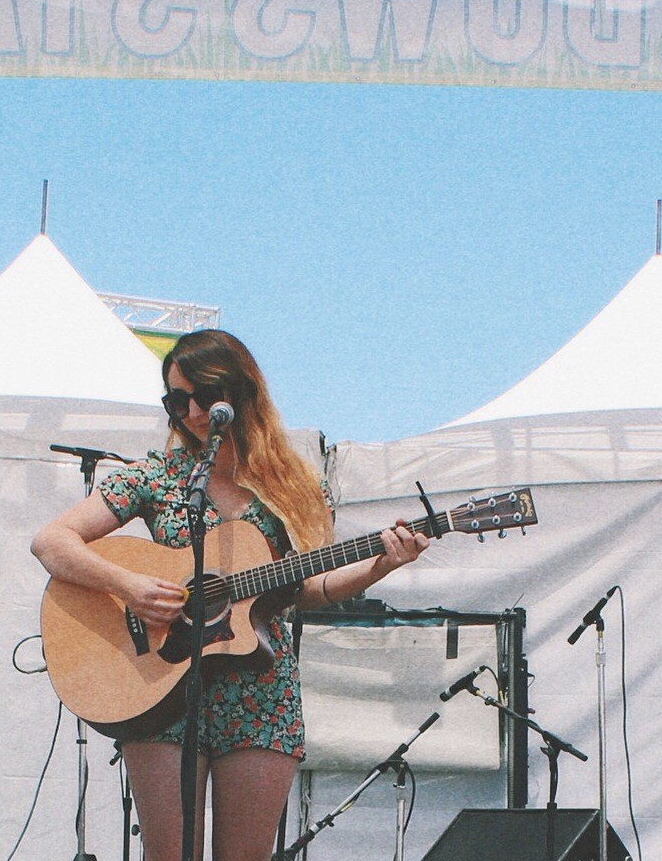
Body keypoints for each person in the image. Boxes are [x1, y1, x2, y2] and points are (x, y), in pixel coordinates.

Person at [31, 330, 429, 861]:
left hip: (260, 690)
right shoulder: (157, 476)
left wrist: (382, 563)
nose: (193, 412)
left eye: (204, 396)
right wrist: (129, 585)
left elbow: (309, 588)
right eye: (177, 401)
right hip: (161, 687)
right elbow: (51, 541)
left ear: (241, 391)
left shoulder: (295, 485)